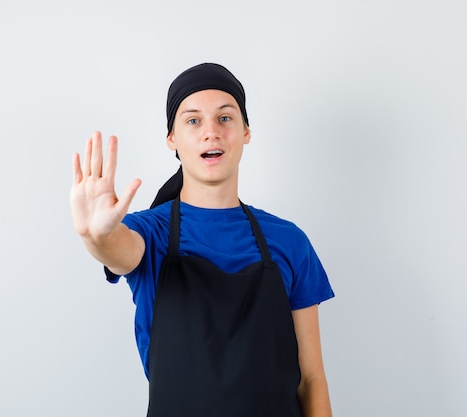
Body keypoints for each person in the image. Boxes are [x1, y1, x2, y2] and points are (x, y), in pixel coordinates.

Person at [70, 63, 334, 416]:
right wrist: (96, 236)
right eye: (193, 120)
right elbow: (117, 250)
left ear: (245, 132)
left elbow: (311, 379)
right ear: (172, 139)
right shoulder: (150, 233)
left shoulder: (289, 241)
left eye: (225, 118)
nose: (211, 132)